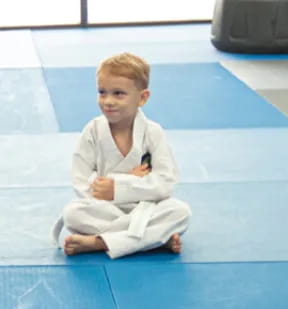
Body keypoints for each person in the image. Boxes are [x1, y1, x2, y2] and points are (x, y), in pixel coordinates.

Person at [52, 52, 191, 259]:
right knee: (72, 214)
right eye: (102, 92)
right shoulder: (93, 131)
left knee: (180, 212)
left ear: (142, 97)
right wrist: (118, 186)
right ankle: (153, 239)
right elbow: (80, 180)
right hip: (103, 209)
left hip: (145, 206)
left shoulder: (153, 132)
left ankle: (98, 242)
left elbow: (166, 182)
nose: (108, 101)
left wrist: (120, 185)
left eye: (118, 93)